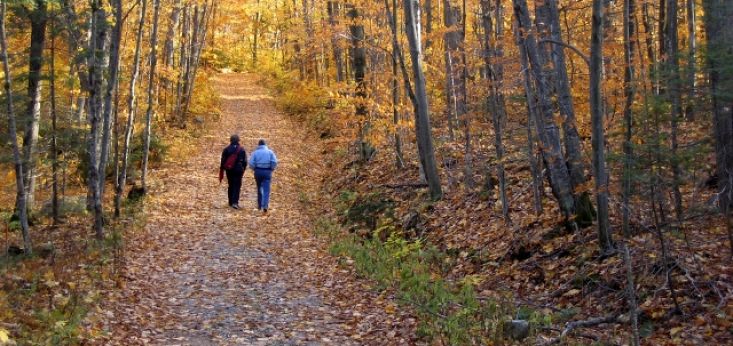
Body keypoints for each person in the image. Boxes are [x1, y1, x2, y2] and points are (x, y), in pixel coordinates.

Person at [248, 139, 278, 213]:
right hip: (267, 171)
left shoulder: (255, 153)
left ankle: (259, 205)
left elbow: (251, 163)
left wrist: (254, 169)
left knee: (259, 188)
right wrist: (271, 168)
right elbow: (274, 162)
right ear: (265, 145)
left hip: (258, 171)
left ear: (258, 145)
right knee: (266, 189)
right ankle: (265, 206)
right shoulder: (270, 152)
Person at [220, 134, 247, 209]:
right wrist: (243, 169)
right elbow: (245, 161)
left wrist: (223, 169)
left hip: (229, 170)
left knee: (230, 184)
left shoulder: (226, 149)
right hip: (238, 170)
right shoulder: (241, 149)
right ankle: (235, 202)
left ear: (230, 140)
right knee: (237, 186)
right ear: (238, 140)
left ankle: (230, 201)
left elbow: (223, 161)